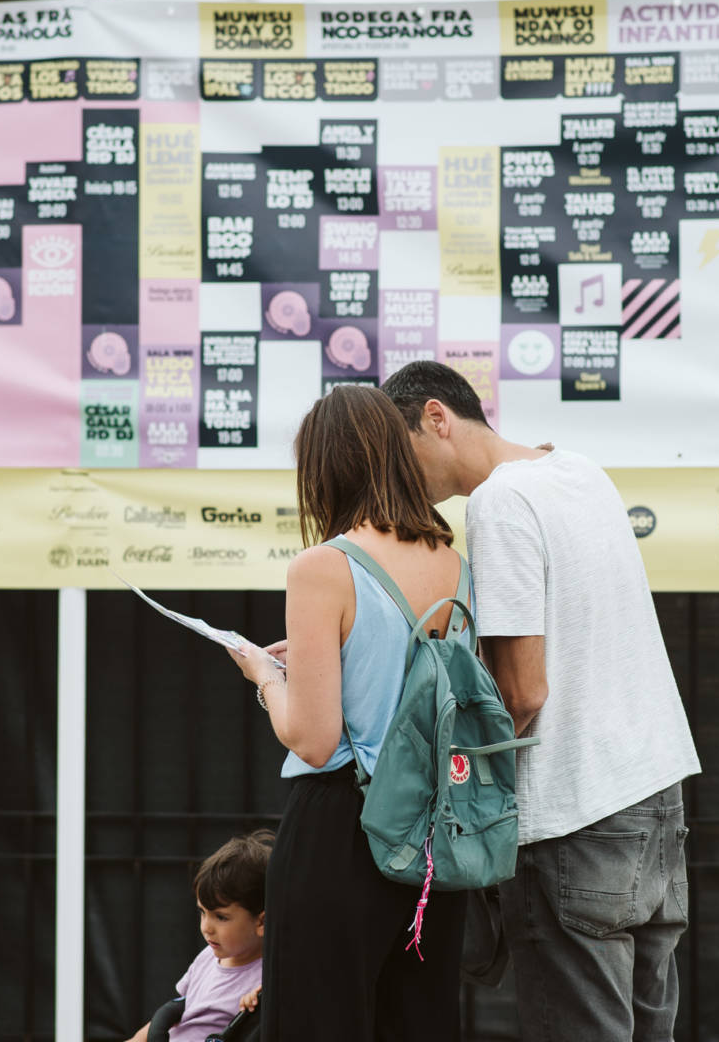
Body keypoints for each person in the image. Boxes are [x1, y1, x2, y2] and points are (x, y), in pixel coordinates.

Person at [380, 360, 701, 1041]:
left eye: (398, 453)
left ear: (437, 417)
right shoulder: (580, 471)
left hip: (572, 810)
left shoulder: (499, 502)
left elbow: (522, 692)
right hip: (655, 793)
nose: (399, 477)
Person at [227, 384, 470, 1042]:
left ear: (323, 471)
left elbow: (313, 739)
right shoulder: (456, 566)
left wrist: (265, 677)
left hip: (343, 827)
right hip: (434, 839)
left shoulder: (323, 566)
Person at [126, 831, 272, 1042]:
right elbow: (181, 1011)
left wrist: (258, 1006)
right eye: (203, 912)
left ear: (261, 923)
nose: (206, 928)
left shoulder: (267, 979)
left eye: (221, 917)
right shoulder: (207, 957)